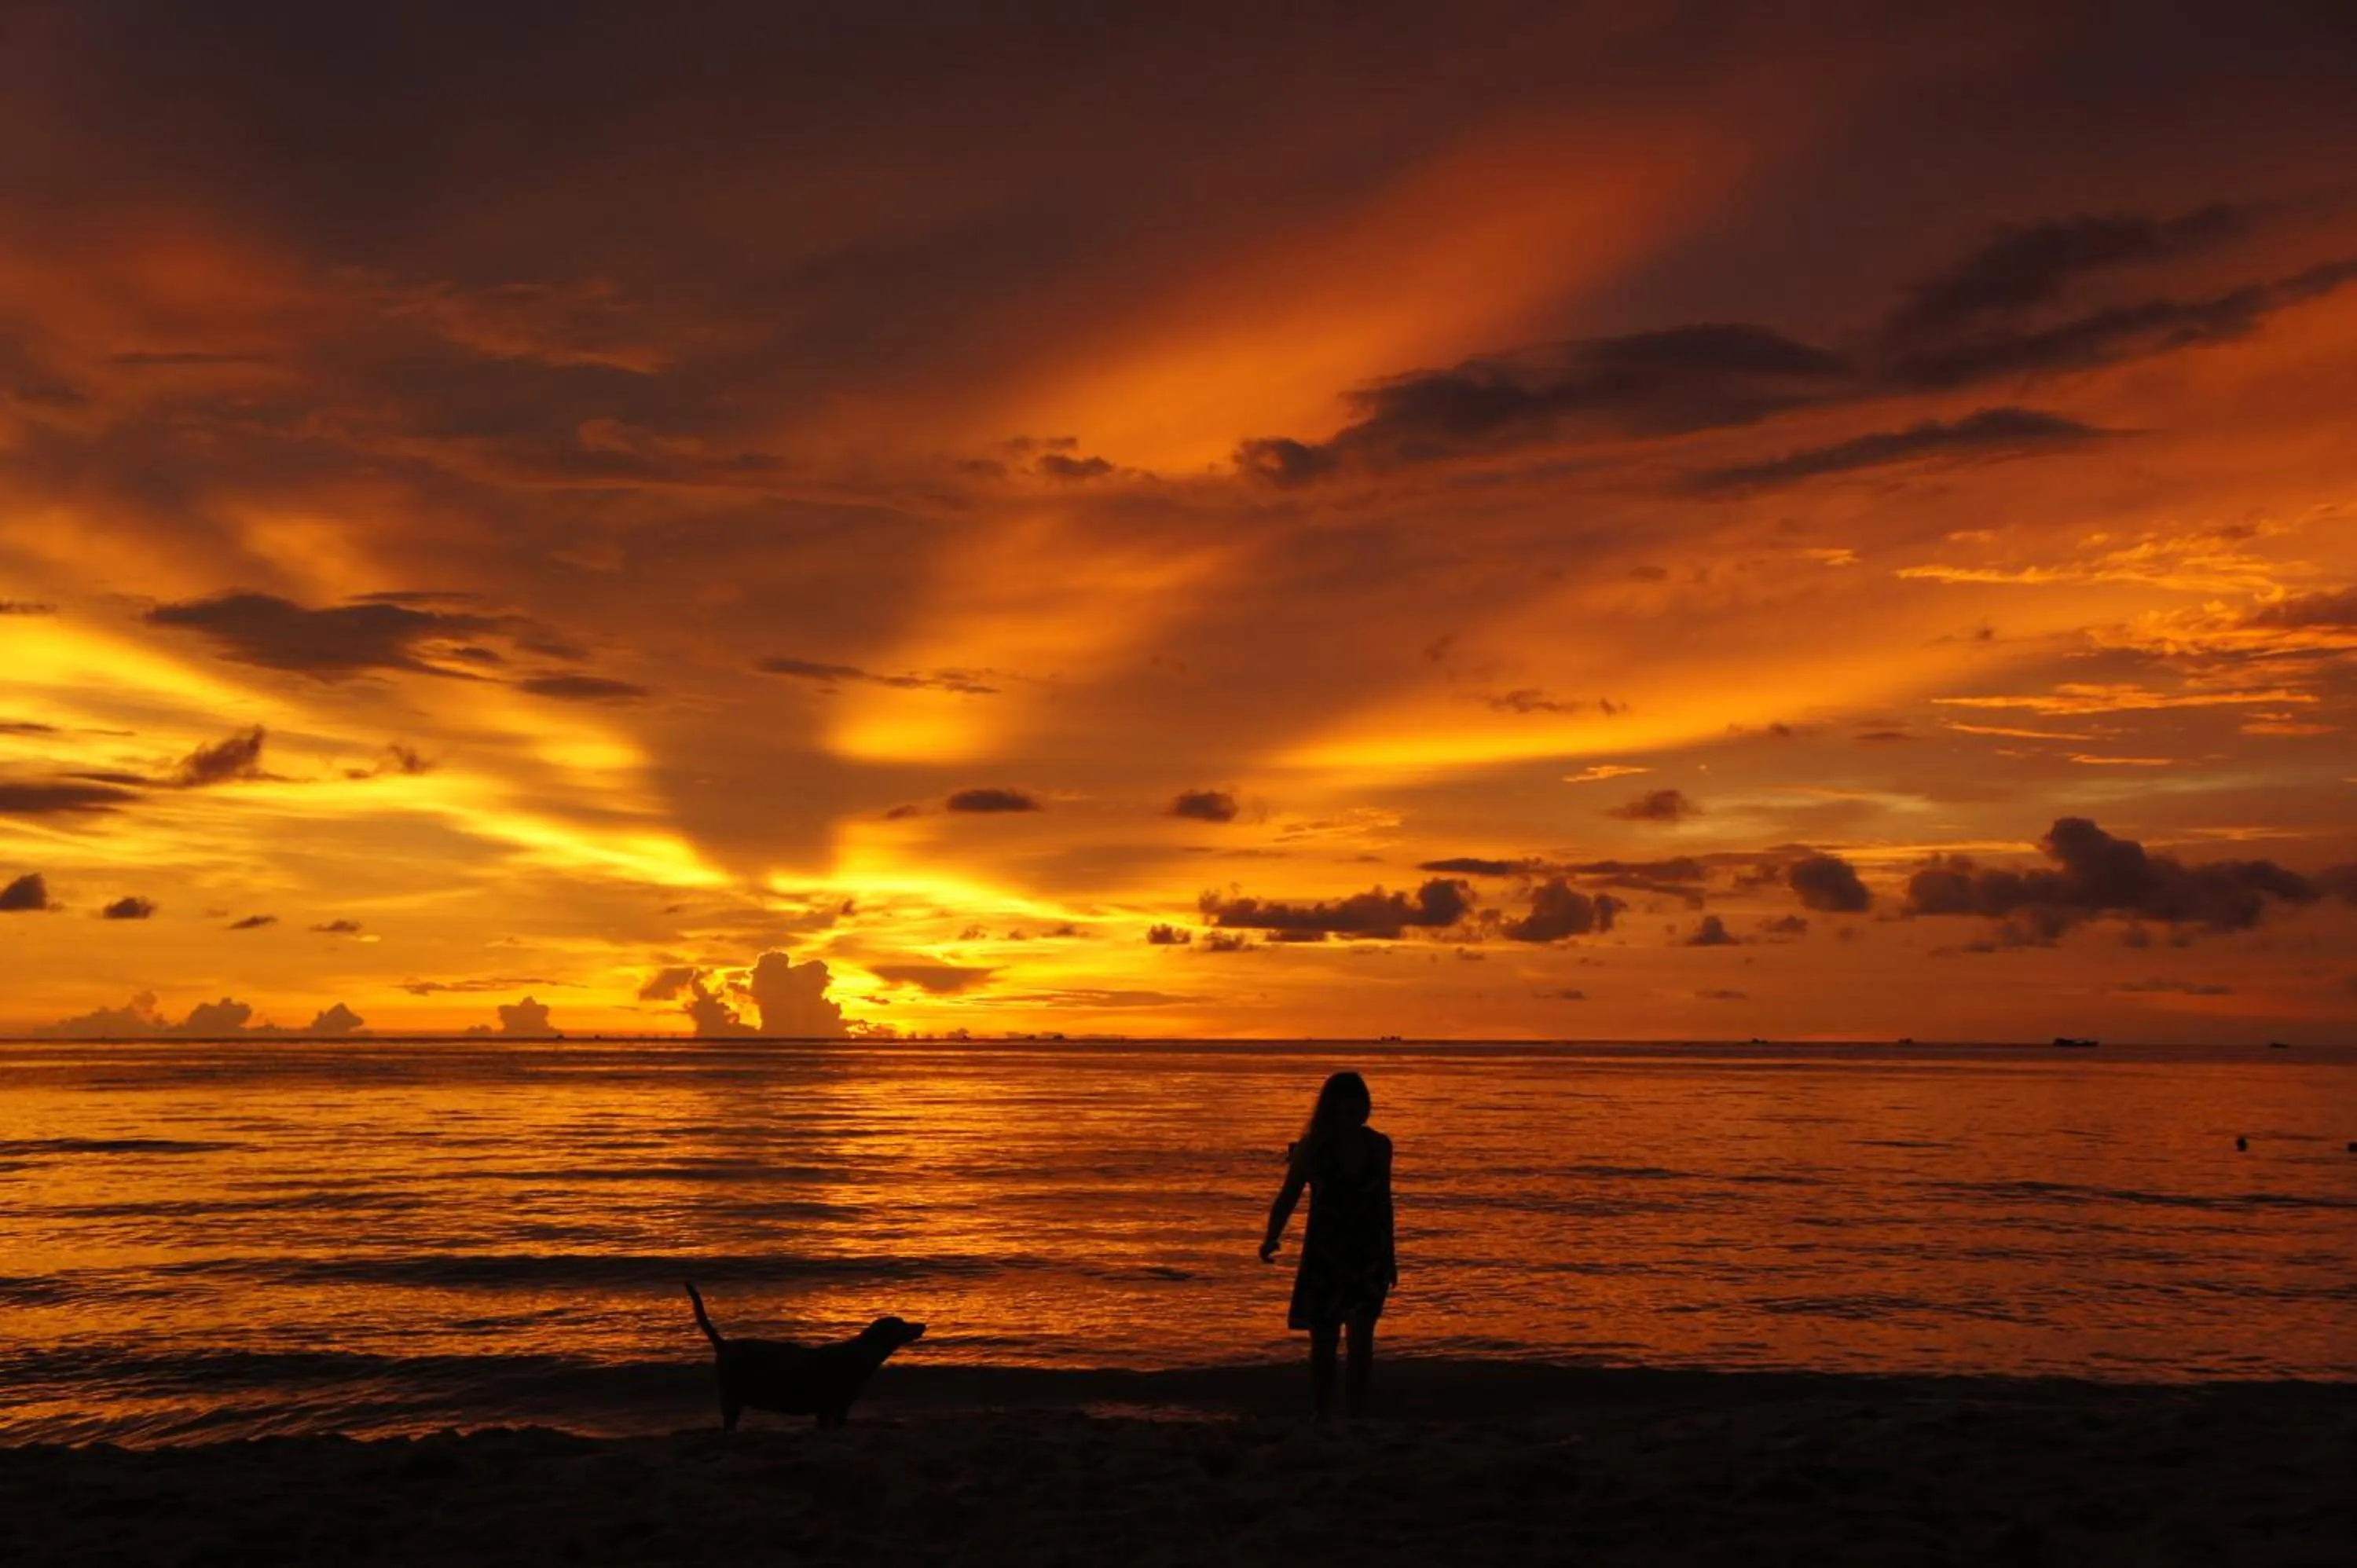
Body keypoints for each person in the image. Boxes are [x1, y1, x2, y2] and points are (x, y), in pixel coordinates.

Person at [1259, 1069, 1395, 1421]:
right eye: (1346, 1107)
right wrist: (1271, 1236)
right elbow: (1288, 1196)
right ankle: (1322, 1413)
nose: (1354, 1114)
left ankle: (1355, 1415)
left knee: (1361, 1340)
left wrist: (1390, 1256)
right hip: (1325, 1254)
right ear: (1332, 1109)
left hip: (1368, 1254)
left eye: (1359, 1106)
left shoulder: (1379, 1147)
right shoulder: (1314, 1149)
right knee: (1324, 1341)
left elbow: (1384, 1202)